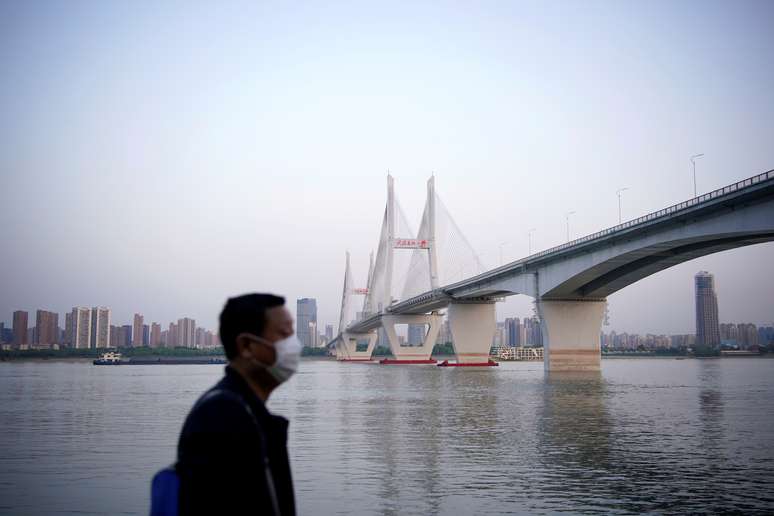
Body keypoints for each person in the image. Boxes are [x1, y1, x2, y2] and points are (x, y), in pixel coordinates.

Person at [175, 293, 301, 516]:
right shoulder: (221, 417)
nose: (294, 345)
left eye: (293, 334)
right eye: (284, 334)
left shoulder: (243, 410)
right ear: (246, 346)